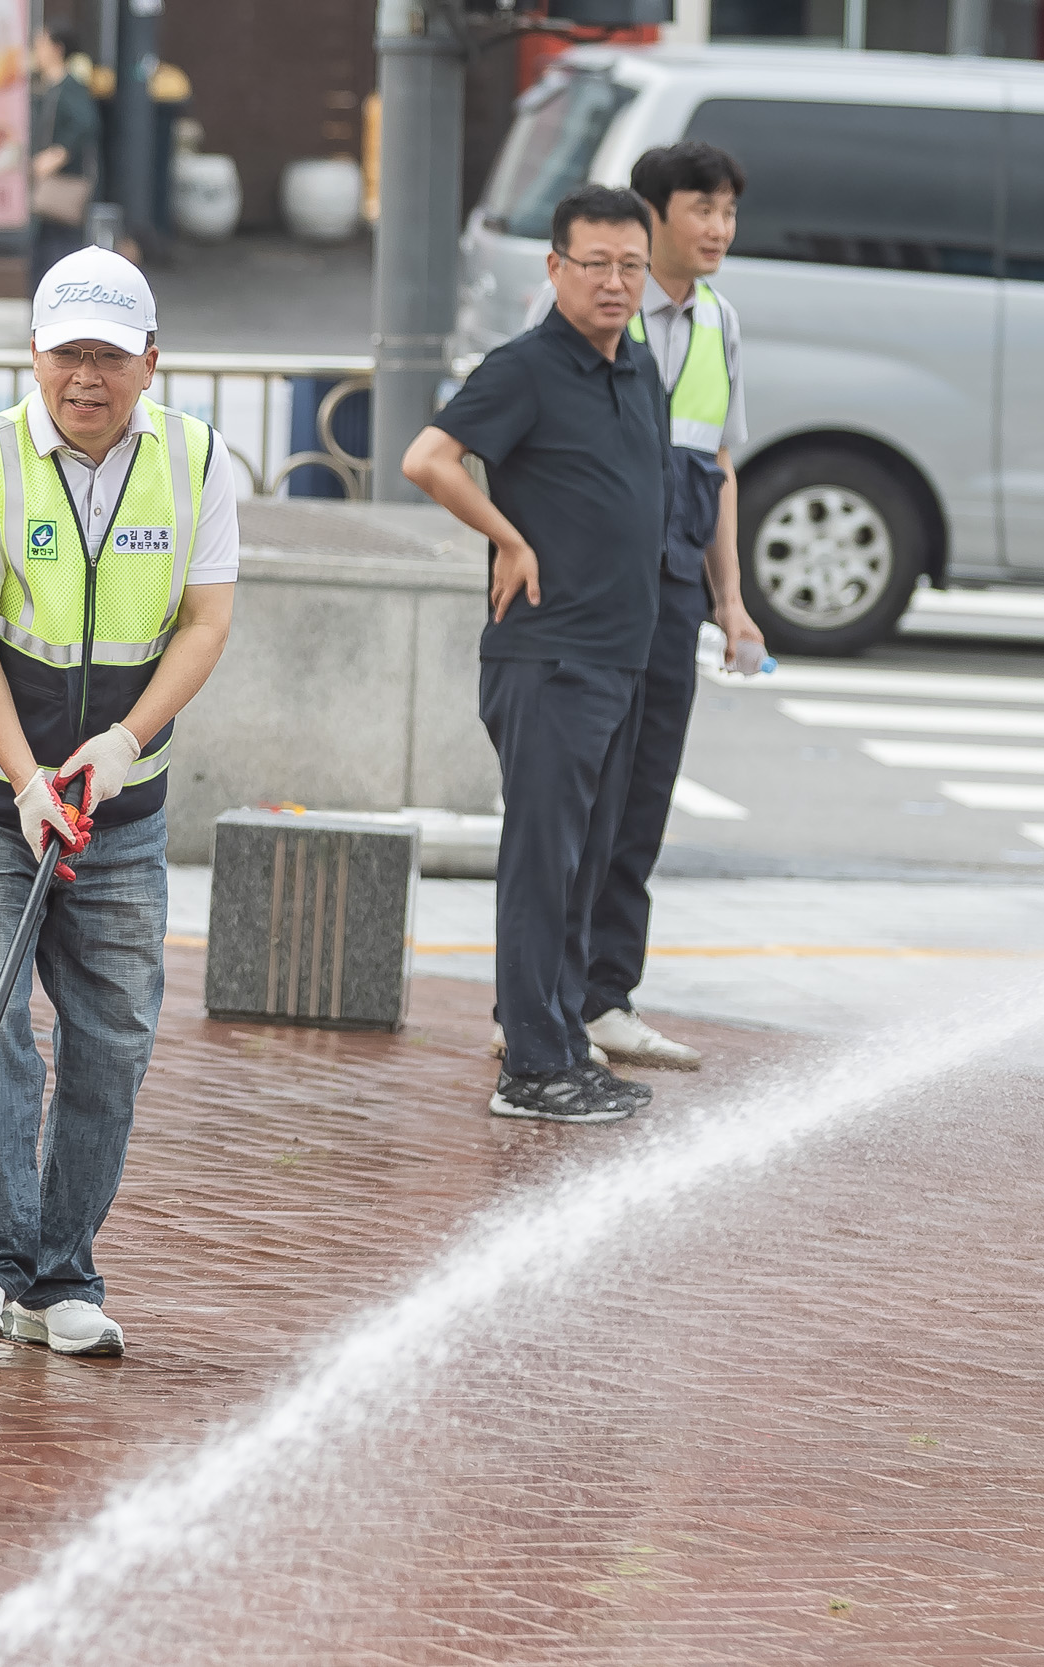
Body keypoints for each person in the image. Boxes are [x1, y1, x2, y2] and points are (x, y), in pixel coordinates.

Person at [0, 246, 237, 1354]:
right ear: (35, 354)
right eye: (66, 353)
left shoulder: (196, 461)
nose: (84, 376)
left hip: (122, 793)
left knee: (112, 1035)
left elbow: (203, 621)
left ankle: (63, 1272)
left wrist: (118, 742)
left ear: (150, 361)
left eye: (108, 353)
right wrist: (22, 781)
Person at [401, 185, 666, 1125]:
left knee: (585, 864)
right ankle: (532, 1067)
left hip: (621, 656)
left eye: (631, 265)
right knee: (542, 861)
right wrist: (509, 539)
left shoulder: (639, 370)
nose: (614, 281)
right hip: (549, 657)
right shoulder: (526, 368)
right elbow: (428, 458)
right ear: (555, 267)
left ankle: (560, 1042)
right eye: (594, 263)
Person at [579, 141, 757, 1071]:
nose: (719, 228)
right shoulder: (598, 305)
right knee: (579, 797)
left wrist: (731, 602)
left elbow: (717, 467)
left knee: (644, 792)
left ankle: (607, 996)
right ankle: (537, 1000)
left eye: (729, 211)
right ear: (653, 213)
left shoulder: (722, 323)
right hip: (595, 589)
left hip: (674, 587)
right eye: (702, 207)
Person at [28, 28, 100, 288]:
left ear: (57, 48)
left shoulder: (69, 88)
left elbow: (86, 123)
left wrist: (58, 153)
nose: (36, 50)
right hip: (48, 189)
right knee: (43, 250)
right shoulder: (46, 87)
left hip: (63, 187)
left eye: (41, 44)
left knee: (59, 252)